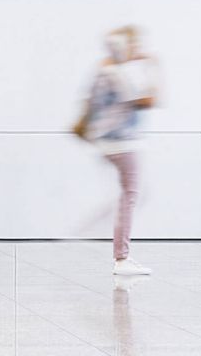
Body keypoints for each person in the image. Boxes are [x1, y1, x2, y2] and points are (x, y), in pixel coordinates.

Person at [73, 25, 158, 276]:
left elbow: (89, 103)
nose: (139, 49)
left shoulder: (103, 70)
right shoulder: (120, 73)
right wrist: (152, 67)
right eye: (135, 45)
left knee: (131, 194)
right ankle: (120, 257)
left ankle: (101, 233)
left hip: (107, 142)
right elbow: (148, 101)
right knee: (131, 195)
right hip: (123, 143)